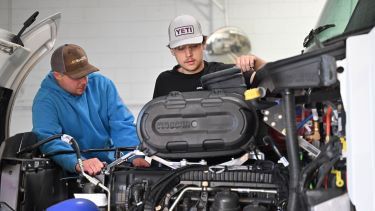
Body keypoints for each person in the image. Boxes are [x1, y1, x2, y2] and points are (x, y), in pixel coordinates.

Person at [32, 44, 150, 176]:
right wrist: (78, 162)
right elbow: (50, 140)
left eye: (85, 74)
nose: (84, 81)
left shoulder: (102, 85)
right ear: (58, 75)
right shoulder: (45, 101)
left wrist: (134, 156)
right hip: (72, 172)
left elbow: (122, 124)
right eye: (76, 77)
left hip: (110, 165)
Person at [153, 14, 267, 98]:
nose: (188, 54)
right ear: (172, 51)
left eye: (194, 46)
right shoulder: (165, 81)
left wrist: (255, 61)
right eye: (181, 48)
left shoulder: (226, 73)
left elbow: (273, 80)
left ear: (203, 45)